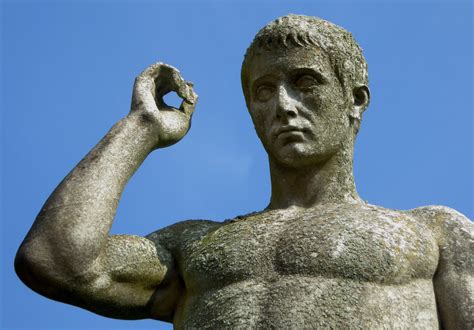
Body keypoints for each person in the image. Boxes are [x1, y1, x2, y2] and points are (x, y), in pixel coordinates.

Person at [15, 15, 473, 328]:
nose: (282, 106)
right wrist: (141, 128)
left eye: (305, 82)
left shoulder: (431, 233)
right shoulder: (193, 246)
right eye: (263, 90)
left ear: (355, 100)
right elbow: (56, 261)